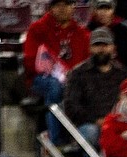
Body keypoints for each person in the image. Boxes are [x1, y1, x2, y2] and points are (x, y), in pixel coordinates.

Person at [62, 27, 127, 157]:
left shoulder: (123, 74)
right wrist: (97, 120)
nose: (101, 49)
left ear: (113, 48)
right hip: (89, 124)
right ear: (90, 48)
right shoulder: (78, 73)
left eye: (105, 45)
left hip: (117, 123)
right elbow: (71, 107)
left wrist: (114, 121)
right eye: (97, 45)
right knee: (91, 134)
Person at [23, 0, 90, 144]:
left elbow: (87, 64)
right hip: (41, 79)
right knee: (55, 86)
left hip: (73, 79)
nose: (62, 8)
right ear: (51, 8)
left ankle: (76, 138)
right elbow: (29, 61)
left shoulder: (82, 33)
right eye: (58, 5)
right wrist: (53, 71)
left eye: (67, 4)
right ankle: (56, 140)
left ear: (73, 7)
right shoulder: (38, 28)